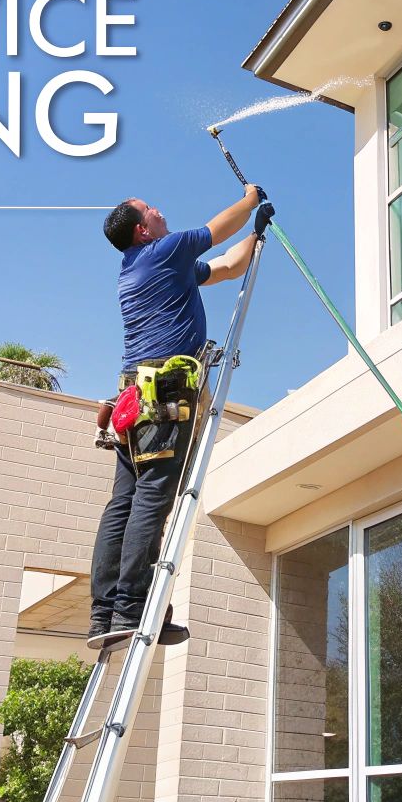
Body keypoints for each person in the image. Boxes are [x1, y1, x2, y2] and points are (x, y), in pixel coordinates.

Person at [89, 183, 272, 647]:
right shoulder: (163, 251)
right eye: (148, 208)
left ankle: (105, 614)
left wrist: (258, 232)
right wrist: (250, 199)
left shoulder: (153, 265)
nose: (158, 206)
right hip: (164, 390)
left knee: (124, 502)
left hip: (134, 394)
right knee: (151, 498)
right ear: (142, 230)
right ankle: (132, 609)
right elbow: (216, 229)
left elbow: (229, 267)